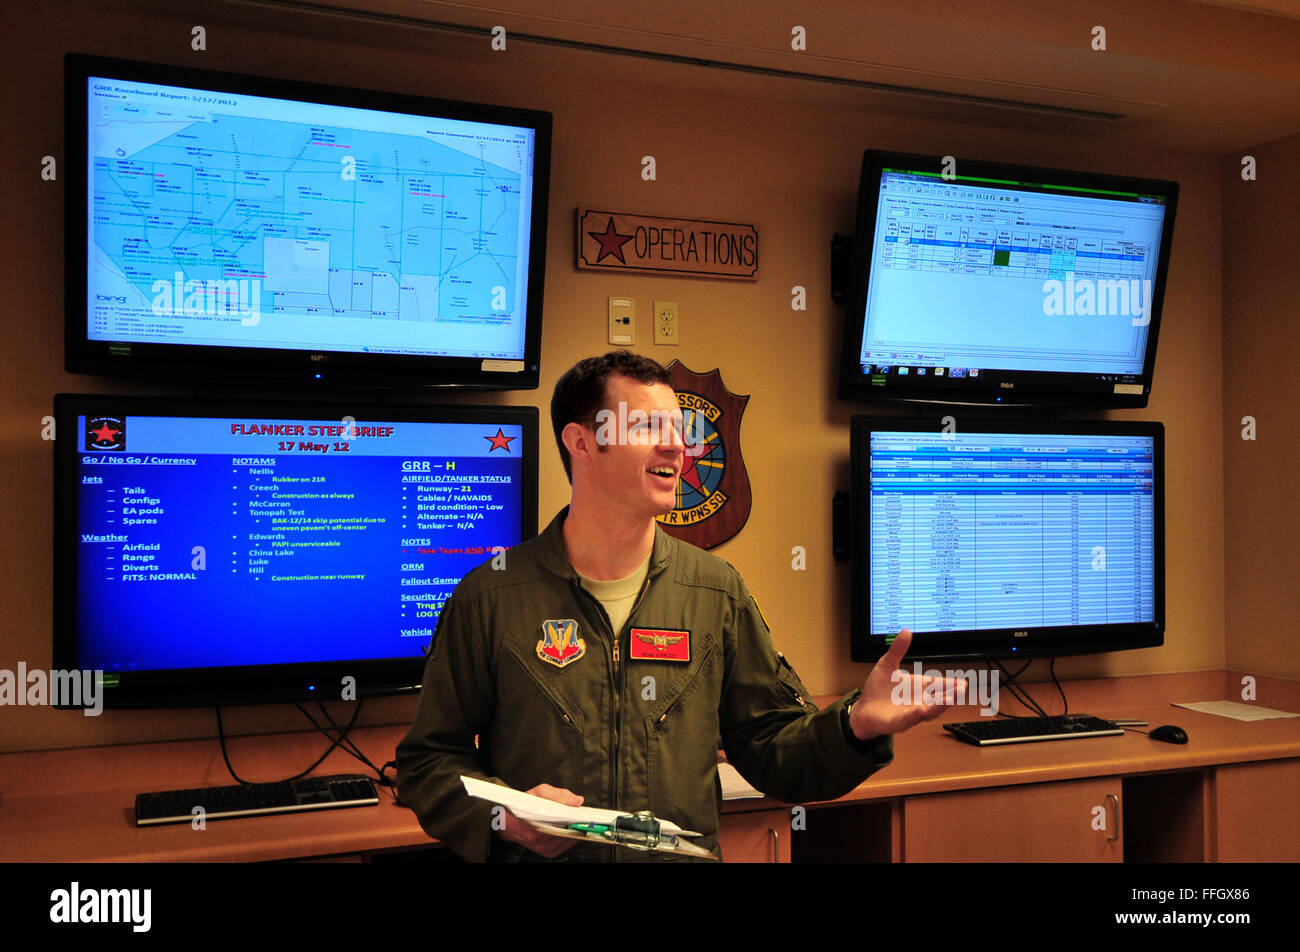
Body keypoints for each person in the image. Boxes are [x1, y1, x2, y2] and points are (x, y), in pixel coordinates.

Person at [396, 351, 956, 861]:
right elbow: (428, 765)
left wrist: (852, 727)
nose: (678, 448)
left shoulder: (715, 592)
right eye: (647, 427)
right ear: (581, 443)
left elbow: (769, 749)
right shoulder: (490, 597)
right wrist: (501, 818)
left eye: (679, 430)